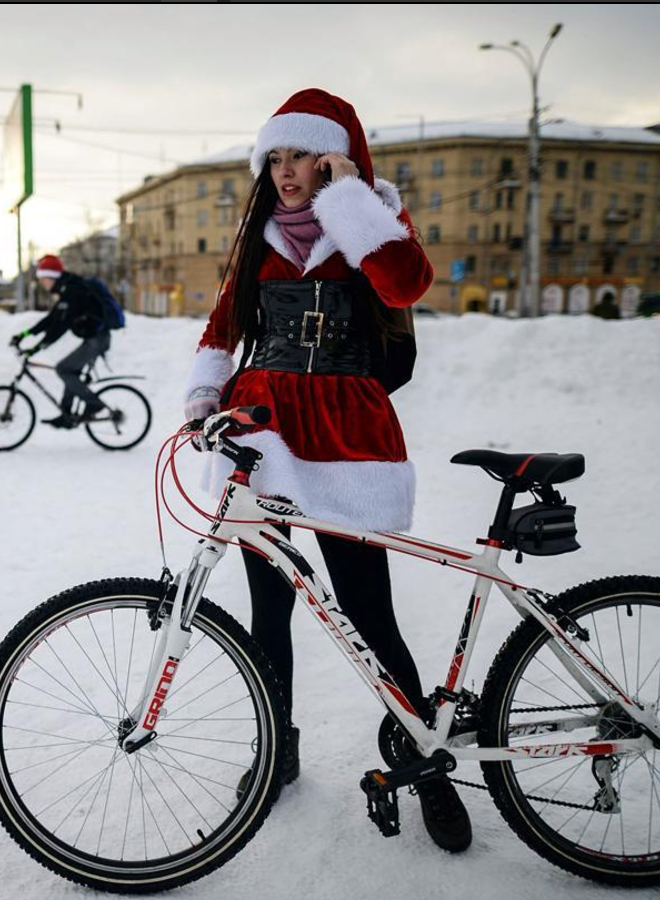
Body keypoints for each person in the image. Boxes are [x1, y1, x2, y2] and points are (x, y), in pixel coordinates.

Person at [182, 89, 471, 852]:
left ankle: (427, 764)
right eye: (273, 158)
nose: (284, 173)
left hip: (345, 435)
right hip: (266, 435)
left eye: (300, 157)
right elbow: (225, 324)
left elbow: (407, 284)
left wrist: (348, 196)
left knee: (369, 613)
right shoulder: (259, 234)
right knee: (267, 611)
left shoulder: (369, 215)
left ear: (334, 156)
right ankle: (276, 751)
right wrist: (202, 395)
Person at [10, 255, 110, 428]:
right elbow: (51, 319)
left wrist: (36, 348)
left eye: (43, 279)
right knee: (70, 370)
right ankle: (67, 414)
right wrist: (24, 334)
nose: (42, 283)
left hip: (98, 339)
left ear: (51, 277)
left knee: (64, 369)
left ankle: (94, 404)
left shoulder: (72, 292)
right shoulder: (66, 290)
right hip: (93, 338)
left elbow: (60, 327)